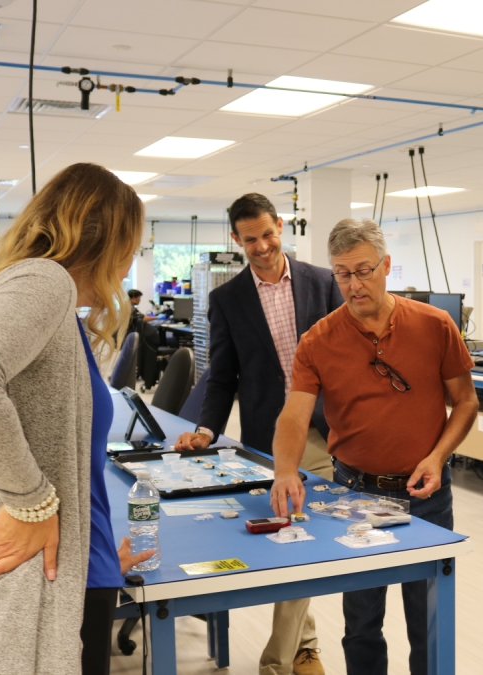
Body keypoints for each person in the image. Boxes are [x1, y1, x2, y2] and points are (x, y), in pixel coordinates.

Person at [0, 163, 153, 675]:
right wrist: (31, 502)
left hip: (77, 569)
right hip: (37, 582)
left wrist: (92, 552)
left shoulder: (52, 304)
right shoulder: (46, 280)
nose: (127, 268)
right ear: (106, 242)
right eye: (130, 249)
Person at [270, 218, 477, 675]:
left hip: (426, 496)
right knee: (362, 622)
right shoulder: (318, 340)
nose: (354, 284)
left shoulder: (435, 325)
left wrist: (437, 457)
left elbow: (465, 402)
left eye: (363, 271)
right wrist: (285, 469)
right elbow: (294, 415)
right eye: (342, 274)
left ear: (386, 266)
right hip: (355, 496)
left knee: (429, 619)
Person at [174, 193, 343, 675]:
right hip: (270, 435)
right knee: (292, 534)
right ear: (236, 239)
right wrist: (205, 428)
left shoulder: (322, 282)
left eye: (268, 234)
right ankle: (305, 647)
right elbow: (222, 376)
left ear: (280, 226)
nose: (262, 246)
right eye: (250, 240)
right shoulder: (227, 299)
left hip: (322, 429)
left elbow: (346, 356)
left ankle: (279, 660)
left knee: (302, 532)